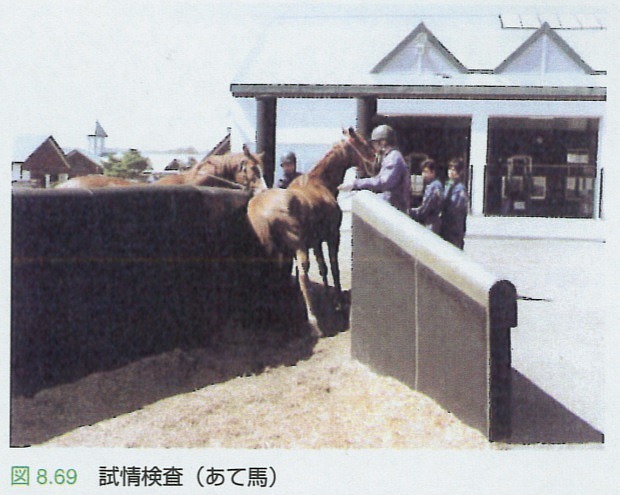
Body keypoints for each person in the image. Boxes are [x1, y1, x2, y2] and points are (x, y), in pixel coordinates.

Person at [338, 124, 410, 213]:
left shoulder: (393, 157)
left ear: (382, 142)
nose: (373, 146)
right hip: (392, 208)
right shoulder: (389, 157)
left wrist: (356, 184)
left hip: (393, 210)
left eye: (374, 143)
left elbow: (385, 182)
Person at [441, 158, 469, 249]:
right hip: (446, 226)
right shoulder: (448, 184)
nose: (451, 172)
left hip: (454, 228)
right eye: (450, 169)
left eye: (454, 170)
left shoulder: (459, 189)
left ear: (459, 172)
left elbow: (456, 209)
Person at [409, 158, 443, 234]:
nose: (423, 175)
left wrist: (410, 211)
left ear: (433, 172)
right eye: (422, 172)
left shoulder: (433, 187)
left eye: (426, 172)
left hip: (431, 224)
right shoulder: (435, 185)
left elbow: (425, 209)